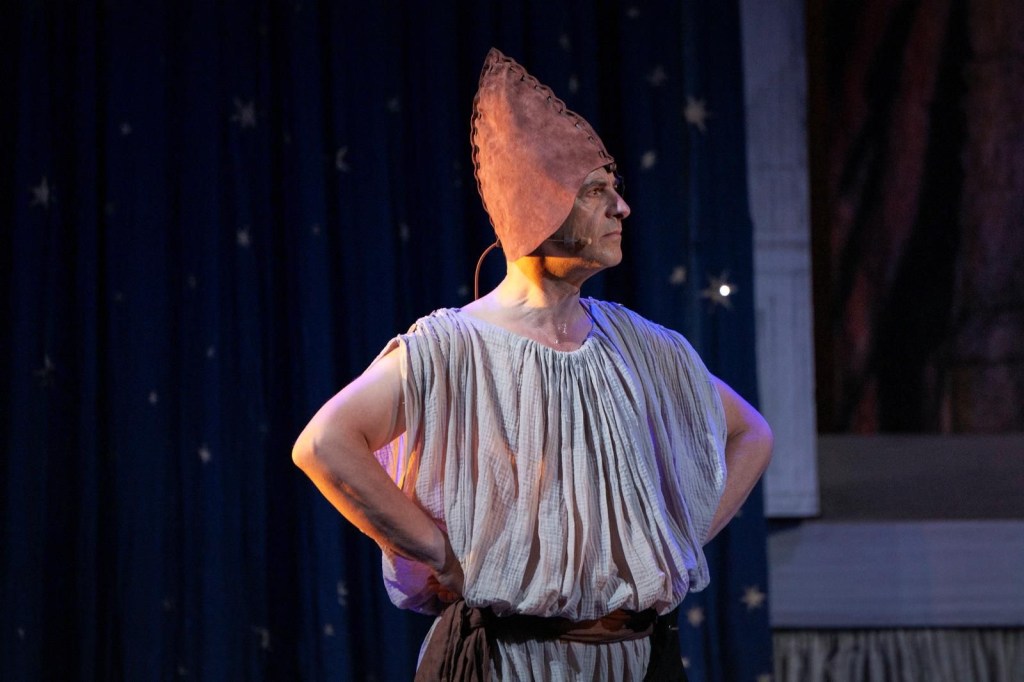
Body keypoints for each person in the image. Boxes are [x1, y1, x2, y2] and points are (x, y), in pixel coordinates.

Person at [292, 48, 773, 681]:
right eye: (595, 192)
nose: (621, 208)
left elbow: (750, 434)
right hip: (505, 660)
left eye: (614, 189)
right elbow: (324, 443)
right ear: (537, 208)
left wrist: (676, 536)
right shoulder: (453, 350)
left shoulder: (643, 348)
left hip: (636, 659)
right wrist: (435, 548)